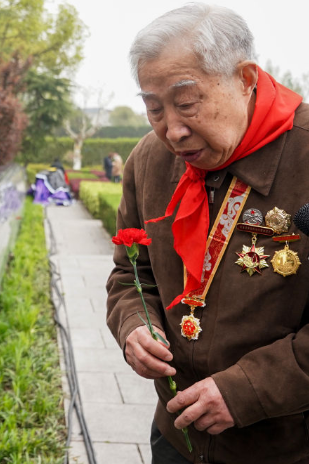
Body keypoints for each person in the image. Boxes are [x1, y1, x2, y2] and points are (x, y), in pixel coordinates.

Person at [106, 3, 309, 463]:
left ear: (245, 79)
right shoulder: (149, 161)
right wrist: (135, 325)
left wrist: (247, 390)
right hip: (177, 435)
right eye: (153, 108)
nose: (172, 131)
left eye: (186, 103)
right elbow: (129, 273)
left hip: (286, 446)